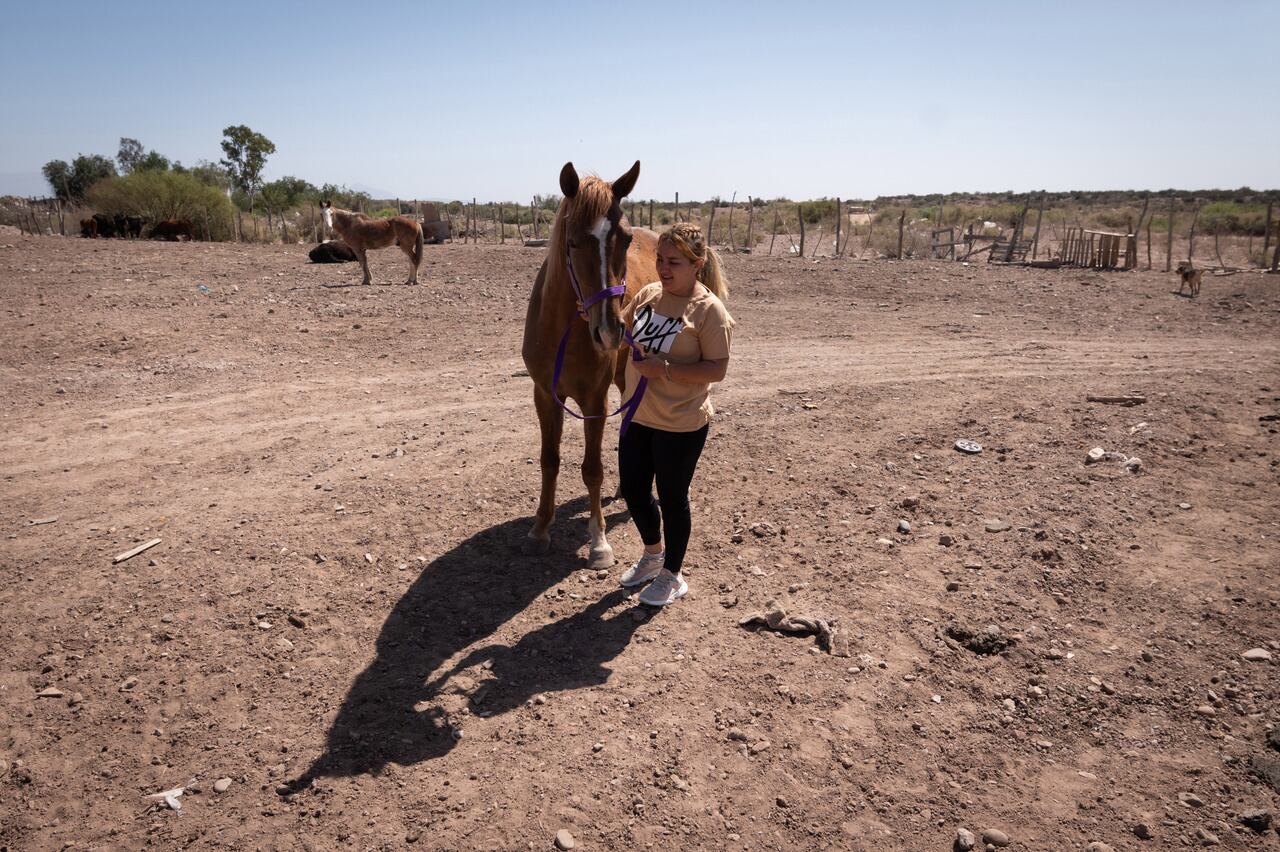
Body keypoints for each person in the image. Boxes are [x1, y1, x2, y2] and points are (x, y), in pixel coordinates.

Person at [617, 223, 734, 606]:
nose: (664, 269)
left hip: (681, 423)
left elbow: (716, 369)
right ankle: (653, 555)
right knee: (634, 491)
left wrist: (664, 369)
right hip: (638, 416)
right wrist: (595, 316)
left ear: (697, 263)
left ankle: (673, 575)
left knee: (672, 498)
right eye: (660, 260)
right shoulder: (650, 295)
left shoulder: (709, 311)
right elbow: (624, 330)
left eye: (674, 262)